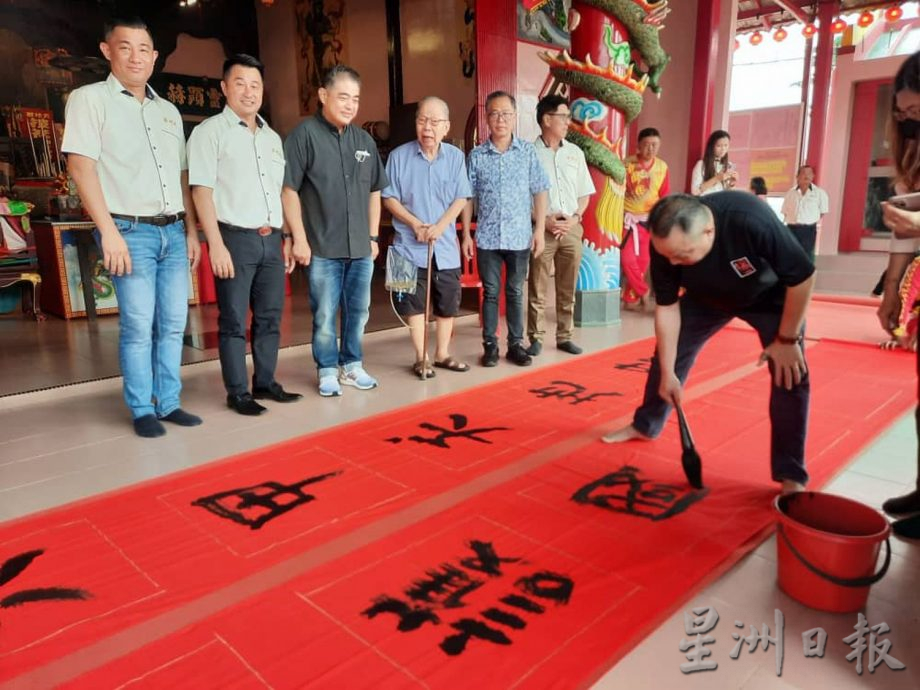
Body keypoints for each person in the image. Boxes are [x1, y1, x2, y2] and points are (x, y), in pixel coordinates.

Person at [602, 192, 815, 494]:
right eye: (669, 256)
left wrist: (787, 338)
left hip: (770, 297)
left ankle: (790, 472)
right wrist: (668, 371)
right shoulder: (666, 245)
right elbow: (666, 308)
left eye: (683, 254)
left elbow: (802, 277)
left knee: (790, 373)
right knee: (667, 358)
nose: (674, 262)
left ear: (709, 231)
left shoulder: (749, 218)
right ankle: (646, 424)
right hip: (706, 298)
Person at [63, 17, 202, 438]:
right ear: (108, 51)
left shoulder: (168, 110)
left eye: (144, 49)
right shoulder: (89, 100)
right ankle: (143, 407)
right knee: (140, 325)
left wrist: (192, 230)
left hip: (174, 232)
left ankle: (170, 401)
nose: (136, 56)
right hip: (131, 232)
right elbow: (80, 166)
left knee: (174, 324)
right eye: (125, 47)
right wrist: (109, 232)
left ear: (155, 57)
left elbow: (181, 176)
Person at [188, 54, 301, 416]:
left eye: (255, 85)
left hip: (271, 238)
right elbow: (201, 191)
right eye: (240, 83)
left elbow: (279, 191)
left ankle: (265, 382)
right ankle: (237, 392)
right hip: (233, 239)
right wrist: (215, 244)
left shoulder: (271, 137)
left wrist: (285, 236)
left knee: (270, 316)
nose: (249, 92)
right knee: (234, 320)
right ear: (224, 88)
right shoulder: (209, 133)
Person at [282, 65, 388, 397]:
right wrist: (298, 238)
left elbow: (375, 191)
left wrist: (373, 237)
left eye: (355, 98)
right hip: (322, 247)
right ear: (324, 95)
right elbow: (288, 191)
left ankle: (352, 366)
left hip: (360, 247)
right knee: (325, 313)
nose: (350, 105)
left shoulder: (364, 141)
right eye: (343, 96)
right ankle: (327, 369)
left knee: (358, 311)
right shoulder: (303, 136)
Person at [381, 96, 473, 377]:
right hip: (407, 247)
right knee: (412, 304)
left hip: (444, 247)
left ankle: (442, 353)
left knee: (447, 302)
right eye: (422, 120)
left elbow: (461, 197)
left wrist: (440, 225)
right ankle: (421, 357)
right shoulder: (398, 156)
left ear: (446, 126)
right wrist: (416, 224)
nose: (427, 127)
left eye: (434, 122)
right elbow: (388, 198)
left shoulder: (456, 157)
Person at [462, 90, 549, 367]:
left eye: (506, 114)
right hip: (487, 237)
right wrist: (466, 233)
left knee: (514, 291)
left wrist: (539, 230)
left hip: (520, 236)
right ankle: (490, 346)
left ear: (515, 118)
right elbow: (466, 197)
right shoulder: (476, 156)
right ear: (487, 118)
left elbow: (540, 191)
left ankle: (515, 344)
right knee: (490, 292)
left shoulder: (527, 152)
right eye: (495, 113)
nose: (500, 119)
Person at [877, 50, 920, 539]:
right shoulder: (912, 147)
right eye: (902, 113)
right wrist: (893, 290)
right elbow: (904, 229)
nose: (907, 121)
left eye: (916, 112)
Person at [526, 94, 595, 356]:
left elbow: (584, 193)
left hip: (571, 228)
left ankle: (565, 336)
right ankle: (536, 338)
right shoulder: (529, 154)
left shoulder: (574, 153)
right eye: (563, 117)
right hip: (542, 230)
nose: (568, 122)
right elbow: (523, 197)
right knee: (538, 286)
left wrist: (575, 219)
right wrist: (542, 221)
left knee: (568, 287)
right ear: (546, 119)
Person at [622, 127, 670, 311]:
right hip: (628, 220)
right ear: (638, 146)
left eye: (655, 145)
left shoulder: (662, 167)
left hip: (650, 220)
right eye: (647, 144)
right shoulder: (627, 165)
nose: (651, 149)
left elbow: (664, 194)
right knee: (627, 260)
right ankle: (643, 292)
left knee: (643, 261)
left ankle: (629, 298)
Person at [781, 165, 829, 261]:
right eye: (803, 173)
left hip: (808, 229)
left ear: (813, 176)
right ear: (797, 176)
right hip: (791, 228)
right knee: (790, 254)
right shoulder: (790, 193)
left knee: (806, 256)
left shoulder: (820, 193)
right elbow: (785, 211)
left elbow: (822, 212)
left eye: (809, 173)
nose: (806, 176)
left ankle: (807, 275)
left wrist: (809, 220)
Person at [690, 130, 737, 196]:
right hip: (705, 203)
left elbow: (729, 194)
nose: (723, 149)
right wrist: (717, 178)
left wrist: (732, 184)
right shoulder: (701, 165)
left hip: (722, 203)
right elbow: (694, 192)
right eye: (719, 146)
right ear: (712, 146)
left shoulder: (729, 165)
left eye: (726, 145)